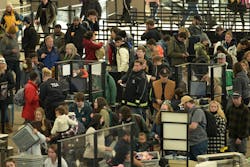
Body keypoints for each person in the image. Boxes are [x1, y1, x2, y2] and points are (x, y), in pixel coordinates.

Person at [180, 95, 207, 161]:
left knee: (200, 162)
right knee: (192, 162)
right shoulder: (189, 112)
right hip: (192, 142)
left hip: (199, 142)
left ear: (188, 103)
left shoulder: (198, 111)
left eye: (183, 105)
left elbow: (193, 126)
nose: (183, 107)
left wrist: (180, 129)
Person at [0, 25, 20, 92]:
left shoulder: (14, 38)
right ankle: (7, 89)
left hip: (16, 60)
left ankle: (17, 89)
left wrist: (18, 55)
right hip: (9, 60)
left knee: (19, 74)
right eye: (13, 34)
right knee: (8, 76)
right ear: (10, 33)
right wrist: (11, 51)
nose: (14, 35)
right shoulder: (4, 40)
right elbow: (2, 51)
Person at [0, 56, 15, 133]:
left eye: (2, 64)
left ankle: (6, 126)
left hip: (6, 96)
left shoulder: (8, 73)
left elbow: (12, 84)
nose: (1, 65)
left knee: (5, 112)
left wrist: (4, 87)